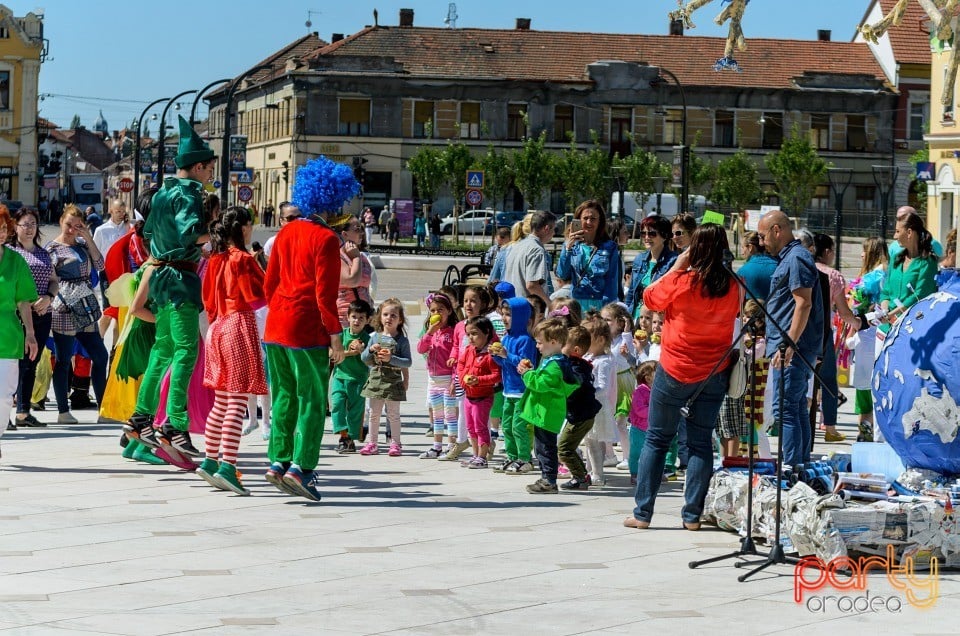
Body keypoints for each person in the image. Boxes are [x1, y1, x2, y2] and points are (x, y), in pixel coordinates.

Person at [624, 223, 740, 531]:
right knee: (701, 442)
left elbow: (649, 299)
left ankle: (642, 513)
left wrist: (677, 266)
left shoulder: (684, 280)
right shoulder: (732, 285)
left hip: (675, 368)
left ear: (694, 250)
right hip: (713, 372)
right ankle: (691, 516)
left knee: (658, 439)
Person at [262, 155, 354, 500]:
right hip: (307, 328)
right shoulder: (327, 239)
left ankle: (277, 462)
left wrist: (281, 310)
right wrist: (336, 337)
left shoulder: (285, 232)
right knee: (313, 399)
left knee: (283, 396)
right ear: (331, 201)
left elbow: (270, 284)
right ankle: (303, 468)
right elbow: (325, 295)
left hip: (277, 326)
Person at [122, 116, 215, 457]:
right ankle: (174, 425)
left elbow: (148, 236)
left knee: (162, 351)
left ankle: (139, 418)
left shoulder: (162, 193)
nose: (210, 176)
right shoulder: (189, 195)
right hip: (180, 282)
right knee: (186, 351)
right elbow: (193, 232)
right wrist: (216, 238)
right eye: (209, 169)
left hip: (161, 277)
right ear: (199, 166)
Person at [195, 206, 267, 496]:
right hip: (238, 324)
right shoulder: (243, 259)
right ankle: (228, 466)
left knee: (222, 401)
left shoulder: (216, 259)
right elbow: (257, 297)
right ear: (244, 228)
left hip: (218, 326)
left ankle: (210, 460)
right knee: (237, 400)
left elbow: (207, 299)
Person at [755, 210, 823, 469]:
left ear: (777, 230)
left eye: (763, 236)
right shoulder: (792, 258)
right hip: (790, 345)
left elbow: (803, 303)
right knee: (793, 407)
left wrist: (788, 344)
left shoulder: (796, 258)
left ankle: (793, 467)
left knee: (785, 408)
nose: (762, 242)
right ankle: (800, 465)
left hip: (792, 348)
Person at [45, 205, 108, 425]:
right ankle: (63, 411)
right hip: (64, 308)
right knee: (63, 360)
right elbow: (48, 279)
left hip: (85, 307)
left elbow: (100, 264)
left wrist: (87, 237)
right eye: (68, 224)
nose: (72, 229)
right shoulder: (52, 249)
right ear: (61, 221)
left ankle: (104, 408)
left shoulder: (82, 245)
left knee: (100, 356)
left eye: (77, 225)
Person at [519, 318, 580, 494]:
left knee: (546, 448)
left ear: (553, 342)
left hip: (547, 413)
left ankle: (549, 481)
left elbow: (540, 384)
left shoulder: (555, 365)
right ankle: (547, 476)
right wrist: (532, 370)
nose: (537, 346)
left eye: (540, 343)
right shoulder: (551, 360)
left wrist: (527, 374)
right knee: (542, 447)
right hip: (544, 411)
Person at [9, 207, 57, 428]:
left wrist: (48, 297)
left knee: (31, 363)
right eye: (24, 224)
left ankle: (23, 410)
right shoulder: (10, 252)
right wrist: (24, 303)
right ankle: (5, 411)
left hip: (42, 313)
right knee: (12, 363)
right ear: (15, 226)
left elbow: (53, 280)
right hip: (17, 314)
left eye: (33, 224)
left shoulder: (43, 253)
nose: (29, 229)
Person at [811, 233, 859, 443]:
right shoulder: (833, 276)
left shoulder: (803, 269)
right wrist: (859, 324)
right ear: (828, 252)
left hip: (799, 330)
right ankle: (829, 428)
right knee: (828, 381)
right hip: (823, 333)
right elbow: (844, 312)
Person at [0, 205, 38, 457]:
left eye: (4, 229)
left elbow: (24, 301)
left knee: (4, 395)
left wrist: (31, 334)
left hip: (8, 335)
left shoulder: (16, 260)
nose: (1, 233)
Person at [490, 296, 538, 473]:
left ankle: (525, 458)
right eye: (503, 314)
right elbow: (505, 364)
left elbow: (525, 363)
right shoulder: (506, 338)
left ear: (521, 317)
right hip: (508, 391)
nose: (504, 318)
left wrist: (506, 355)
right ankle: (512, 456)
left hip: (522, 391)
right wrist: (495, 355)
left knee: (519, 426)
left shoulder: (525, 340)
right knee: (507, 426)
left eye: (509, 314)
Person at [359, 298, 412, 457]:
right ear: (380, 317)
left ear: (400, 320)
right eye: (386, 314)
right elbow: (364, 358)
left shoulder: (402, 340)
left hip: (393, 382)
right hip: (376, 381)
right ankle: (372, 443)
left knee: (393, 414)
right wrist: (370, 350)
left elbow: (408, 362)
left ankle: (395, 443)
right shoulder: (374, 337)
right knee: (374, 414)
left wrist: (392, 359)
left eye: (393, 315)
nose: (389, 318)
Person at [846, 237, 887, 441]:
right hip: (875, 338)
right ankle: (867, 434)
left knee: (865, 393)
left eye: (864, 251)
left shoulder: (873, 278)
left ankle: (865, 436)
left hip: (868, 338)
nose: (861, 255)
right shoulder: (886, 274)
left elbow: (859, 304)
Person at [556, 325, 602, 490]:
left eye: (563, 345)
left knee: (564, 449)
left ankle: (580, 478)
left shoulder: (576, 367)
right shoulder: (575, 364)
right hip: (579, 414)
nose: (560, 348)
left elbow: (577, 384)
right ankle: (582, 476)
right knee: (566, 447)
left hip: (581, 416)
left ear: (575, 349)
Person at [555, 200, 620, 312]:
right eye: (585, 218)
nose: (589, 222)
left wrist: (606, 309)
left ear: (600, 221)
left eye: (593, 219)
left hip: (600, 304)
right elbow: (562, 274)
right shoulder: (570, 245)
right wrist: (568, 249)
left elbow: (612, 282)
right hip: (576, 303)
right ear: (578, 220)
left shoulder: (610, 247)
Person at [455, 316, 501, 468]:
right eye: (468, 334)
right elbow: (460, 366)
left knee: (480, 427)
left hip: (483, 397)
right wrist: (463, 380)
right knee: (470, 427)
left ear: (486, 332)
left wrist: (479, 380)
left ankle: (482, 457)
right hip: (469, 395)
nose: (471, 338)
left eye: (474, 334)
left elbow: (496, 375)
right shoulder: (469, 351)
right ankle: (475, 455)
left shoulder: (490, 354)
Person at [879, 211, 938, 331]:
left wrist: (892, 315)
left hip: (911, 327)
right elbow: (886, 292)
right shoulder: (896, 258)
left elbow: (919, 296)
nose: (895, 236)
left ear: (909, 232)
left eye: (898, 231)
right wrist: (884, 311)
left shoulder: (927, 262)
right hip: (887, 327)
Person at [417, 293, 459, 458]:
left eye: (440, 310)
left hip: (448, 378)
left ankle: (452, 445)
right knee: (437, 414)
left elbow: (457, 357)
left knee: (450, 414)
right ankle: (436, 446)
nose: (437, 314)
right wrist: (429, 333)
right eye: (433, 310)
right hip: (434, 379)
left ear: (449, 310)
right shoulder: (432, 331)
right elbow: (421, 349)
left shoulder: (453, 331)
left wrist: (454, 380)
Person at [331, 299, 373, 454]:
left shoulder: (368, 339)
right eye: (354, 316)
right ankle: (344, 436)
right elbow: (331, 353)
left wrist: (362, 350)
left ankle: (352, 437)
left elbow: (371, 360)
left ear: (367, 320)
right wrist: (348, 353)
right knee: (337, 404)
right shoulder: (340, 335)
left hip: (358, 379)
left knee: (355, 410)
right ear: (348, 317)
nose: (357, 320)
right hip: (340, 377)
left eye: (361, 318)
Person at [580, 314, 616, 486]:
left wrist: (587, 391)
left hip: (596, 407)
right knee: (589, 441)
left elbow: (603, 387)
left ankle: (598, 475)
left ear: (601, 340)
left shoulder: (604, 361)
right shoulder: (589, 357)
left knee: (593, 441)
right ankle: (590, 470)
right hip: (588, 405)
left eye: (589, 339)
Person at [601, 301, 636, 470]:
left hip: (623, 381)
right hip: (609, 382)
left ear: (620, 323)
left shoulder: (624, 338)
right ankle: (609, 455)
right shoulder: (604, 340)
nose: (604, 323)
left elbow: (628, 348)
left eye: (608, 320)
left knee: (621, 422)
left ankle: (629, 457)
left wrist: (628, 330)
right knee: (607, 420)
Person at [625, 215, 677, 318]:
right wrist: (626, 315)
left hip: (657, 319)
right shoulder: (639, 259)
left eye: (652, 234)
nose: (647, 237)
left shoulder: (674, 261)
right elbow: (632, 292)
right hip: (636, 316)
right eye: (643, 233)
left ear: (664, 236)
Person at [502, 210, 555, 307]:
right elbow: (532, 285)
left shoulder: (517, 246)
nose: (554, 233)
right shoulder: (536, 250)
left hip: (512, 305)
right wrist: (549, 304)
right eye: (553, 229)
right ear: (547, 228)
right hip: (527, 309)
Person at [330, 214, 374, 328]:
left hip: (364, 318)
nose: (362, 233)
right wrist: (355, 258)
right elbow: (351, 281)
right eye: (357, 229)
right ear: (344, 234)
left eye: (362, 229)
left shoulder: (362, 257)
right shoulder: (337, 257)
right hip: (345, 321)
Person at [627, 361, 657, 485]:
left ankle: (653, 473)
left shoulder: (656, 390)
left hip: (652, 428)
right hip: (639, 428)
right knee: (636, 452)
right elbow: (639, 410)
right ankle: (635, 473)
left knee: (653, 453)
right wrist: (655, 411)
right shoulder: (640, 391)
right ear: (648, 377)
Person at [737, 231, 778, 300]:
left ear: (750, 247)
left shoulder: (742, 271)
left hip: (752, 310)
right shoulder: (780, 265)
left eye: (742, 247)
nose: (742, 253)